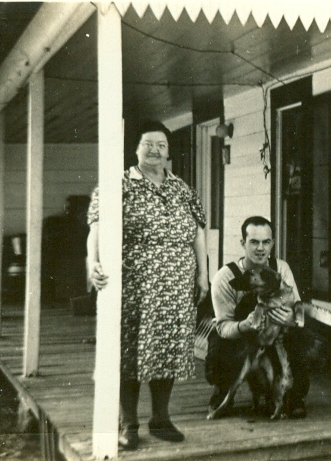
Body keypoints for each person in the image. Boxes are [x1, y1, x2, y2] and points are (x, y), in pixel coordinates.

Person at [87, 121, 208, 450]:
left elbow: (198, 233)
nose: (155, 150)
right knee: (129, 350)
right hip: (134, 283)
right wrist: (92, 262)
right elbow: (96, 227)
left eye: (162, 145)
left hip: (176, 283)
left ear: (169, 152)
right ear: (136, 148)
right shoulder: (119, 184)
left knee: (167, 349)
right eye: (148, 143)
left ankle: (161, 418)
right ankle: (128, 423)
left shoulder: (181, 188)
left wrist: (202, 274)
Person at [205, 216, 309, 418]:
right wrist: (244, 325)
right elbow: (223, 326)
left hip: (274, 334)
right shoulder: (226, 277)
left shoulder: (282, 269)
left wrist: (292, 319)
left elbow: (297, 305)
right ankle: (224, 389)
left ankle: (294, 395)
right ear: (243, 243)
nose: (260, 248)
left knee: (299, 336)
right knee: (218, 342)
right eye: (254, 242)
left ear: (272, 243)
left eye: (265, 242)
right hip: (243, 338)